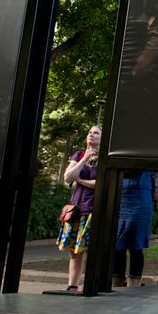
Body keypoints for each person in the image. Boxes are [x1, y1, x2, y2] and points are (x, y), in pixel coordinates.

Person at [56, 125, 101, 294]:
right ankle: (72, 285)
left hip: (92, 210)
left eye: (96, 133)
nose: (91, 135)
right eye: (89, 132)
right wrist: (84, 160)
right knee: (74, 251)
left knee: (91, 250)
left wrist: (79, 180)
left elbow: (99, 184)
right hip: (75, 209)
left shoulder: (105, 158)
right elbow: (67, 177)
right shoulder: (79, 155)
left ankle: (91, 284)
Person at [114, 171, 158, 287]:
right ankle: (116, 282)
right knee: (117, 245)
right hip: (121, 195)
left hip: (141, 196)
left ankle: (134, 285)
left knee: (136, 244)